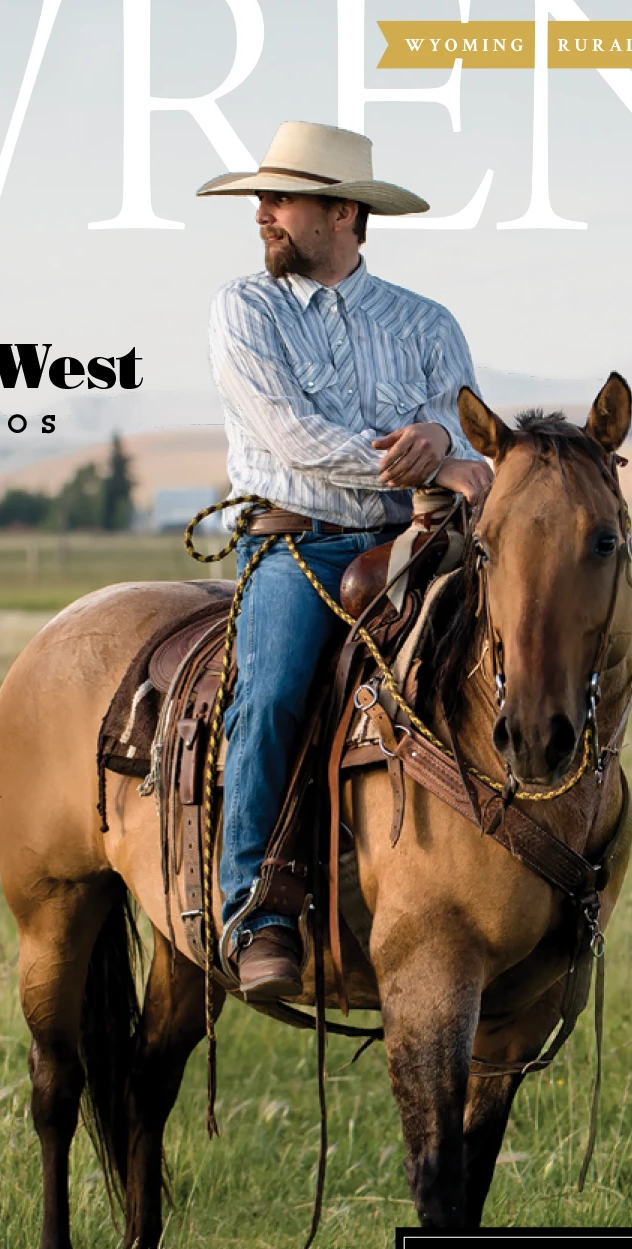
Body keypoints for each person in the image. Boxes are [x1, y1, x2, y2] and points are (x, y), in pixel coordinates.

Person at [197, 121, 492, 1000]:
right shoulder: (244, 311)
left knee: (510, 664)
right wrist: (425, 459)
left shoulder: (428, 324)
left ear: (342, 212)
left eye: (279, 199)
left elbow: (468, 426)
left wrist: (442, 435)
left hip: (419, 546)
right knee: (276, 689)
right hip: (301, 541)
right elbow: (290, 438)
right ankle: (258, 908)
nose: (261, 214)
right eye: (261, 199)